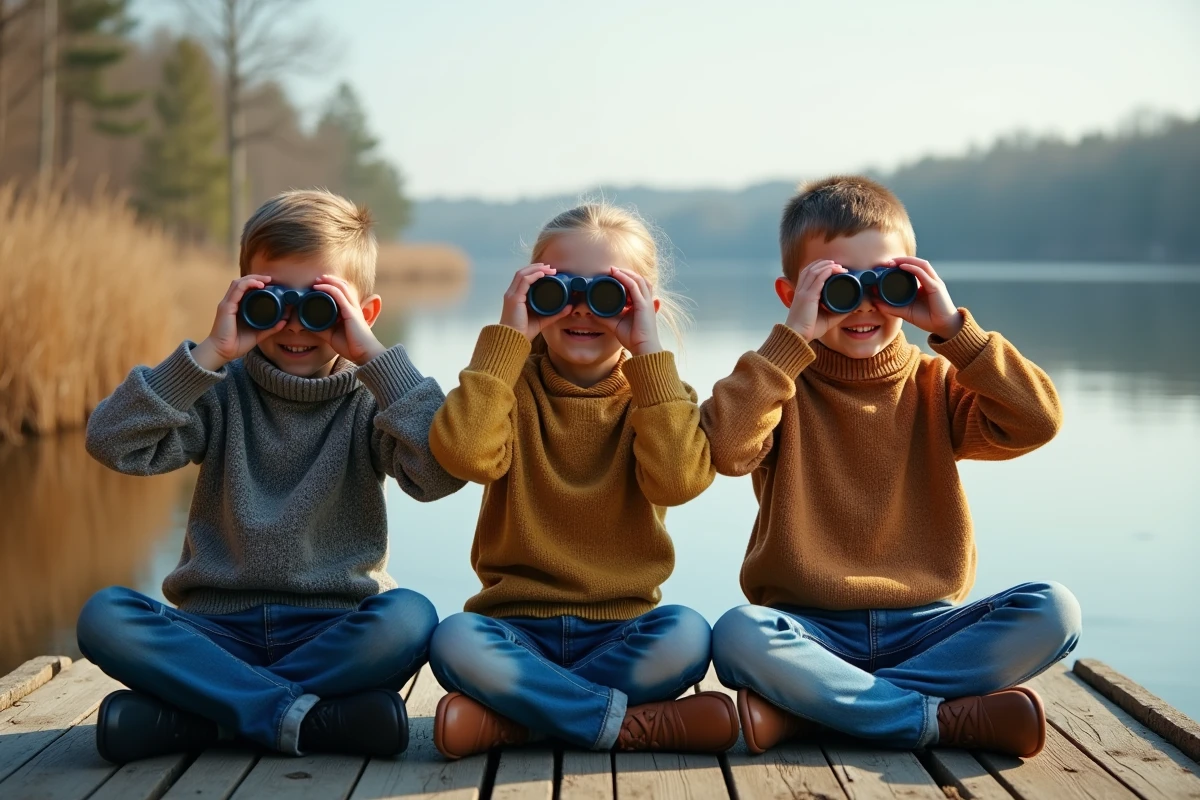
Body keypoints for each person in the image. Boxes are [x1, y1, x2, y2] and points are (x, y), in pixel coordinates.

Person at [76, 189, 464, 763]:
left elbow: (439, 477)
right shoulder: (218, 390)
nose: (294, 323)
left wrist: (378, 362)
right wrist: (209, 353)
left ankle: (207, 718)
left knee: (410, 618)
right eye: (273, 299)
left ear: (365, 312)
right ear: (240, 299)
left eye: (322, 304)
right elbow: (113, 442)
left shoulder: (371, 400)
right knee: (104, 617)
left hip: (334, 627)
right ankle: (308, 718)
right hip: (215, 631)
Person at [705, 176, 1082, 758]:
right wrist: (790, 342)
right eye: (837, 285)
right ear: (792, 293)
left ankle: (817, 713)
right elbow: (726, 449)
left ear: (914, 281)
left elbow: (1038, 421)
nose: (864, 305)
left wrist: (956, 331)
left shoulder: (936, 382)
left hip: (927, 630)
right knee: (737, 634)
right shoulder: (778, 382)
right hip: (810, 630)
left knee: (1054, 609)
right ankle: (942, 720)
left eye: (887, 284)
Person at [426, 203, 737, 760]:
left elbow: (678, 482)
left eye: (609, 295)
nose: (583, 311)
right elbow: (466, 454)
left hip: (624, 629)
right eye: (559, 290)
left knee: (687, 634)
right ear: (528, 296)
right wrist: (506, 341)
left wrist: (648, 355)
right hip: (514, 629)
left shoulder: (660, 396)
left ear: (645, 309)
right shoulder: (504, 388)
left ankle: (519, 723)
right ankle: (627, 725)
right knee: (454, 639)